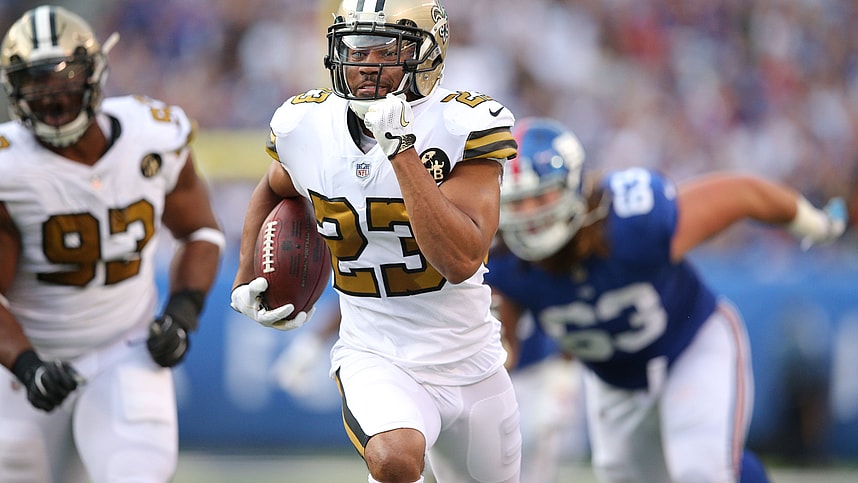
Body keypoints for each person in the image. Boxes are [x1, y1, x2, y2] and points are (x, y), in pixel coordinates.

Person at [229, 1, 521, 482]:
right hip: (375, 351)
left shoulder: (461, 126)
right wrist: (248, 273)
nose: (366, 64)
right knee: (394, 458)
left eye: (385, 50)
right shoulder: (308, 127)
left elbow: (462, 259)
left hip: (471, 361)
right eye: (356, 48)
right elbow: (276, 185)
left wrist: (401, 150)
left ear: (427, 53)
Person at [486, 117, 847, 483]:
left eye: (539, 196)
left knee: (701, 471)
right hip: (614, 381)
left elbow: (742, 195)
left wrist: (814, 223)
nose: (530, 215)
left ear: (573, 185)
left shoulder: (631, 223)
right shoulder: (502, 261)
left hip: (690, 346)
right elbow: (505, 348)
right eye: (519, 202)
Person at [0, 6, 224, 483]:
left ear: (95, 73)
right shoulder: (9, 170)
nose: (53, 97)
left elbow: (200, 232)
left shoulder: (153, 135)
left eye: (64, 79)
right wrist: (25, 364)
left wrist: (183, 313)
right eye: (36, 83)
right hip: (22, 366)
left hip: (124, 348)